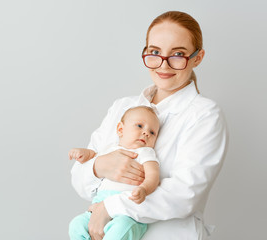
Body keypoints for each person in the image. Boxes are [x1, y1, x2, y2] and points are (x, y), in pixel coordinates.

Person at [70, 10, 228, 240]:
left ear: (197, 57)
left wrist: (110, 208)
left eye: (177, 54)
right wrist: (100, 165)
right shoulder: (122, 106)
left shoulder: (205, 115)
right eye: (155, 52)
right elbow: (79, 180)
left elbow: (184, 194)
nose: (163, 65)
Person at [69, 106, 160, 240]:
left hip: (128, 213)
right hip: (98, 205)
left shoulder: (146, 152)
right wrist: (84, 153)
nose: (146, 133)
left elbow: (153, 176)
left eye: (152, 132)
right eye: (140, 126)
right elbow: (95, 156)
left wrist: (144, 189)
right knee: (76, 225)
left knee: (121, 229)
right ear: (120, 129)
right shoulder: (110, 149)